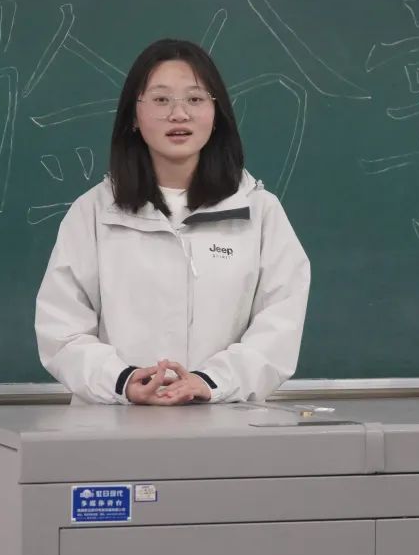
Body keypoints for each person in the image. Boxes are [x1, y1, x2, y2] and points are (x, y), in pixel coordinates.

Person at [34, 38, 310, 405]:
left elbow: (279, 328)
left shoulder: (259, 212)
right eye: (161, 99)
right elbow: (62, 331)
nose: (179, 114)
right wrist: (123, 381)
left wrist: (210, 382)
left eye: (195, 99)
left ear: (216, 113)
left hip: (226, 422)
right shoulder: (94, 213)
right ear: (133, 116)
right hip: (113, 424)